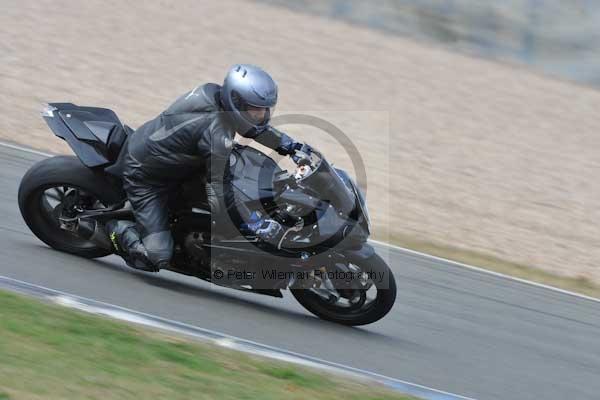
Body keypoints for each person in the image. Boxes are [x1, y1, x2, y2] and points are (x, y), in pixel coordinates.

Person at [105, 64, 301, 272]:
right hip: (146, 177)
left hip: (171, 159)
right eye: (256, 110)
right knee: (156, 255)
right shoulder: (215, 134)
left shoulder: (213, 93)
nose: (261, 115)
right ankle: (112, 228)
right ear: (236, 102)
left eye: (264, 110)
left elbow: (250, 128)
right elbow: (220, 189)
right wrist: (254, 223)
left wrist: (291, 146)